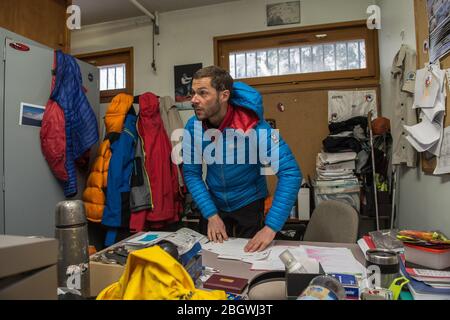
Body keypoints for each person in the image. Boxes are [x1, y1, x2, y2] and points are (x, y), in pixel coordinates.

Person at [182, 66, 302, 252]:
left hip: (249, 205)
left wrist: (271, 228)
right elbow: (191, 174)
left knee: (248, 264)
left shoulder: (254, 125)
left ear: (224, 96)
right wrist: (211, 214)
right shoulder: (192, 126)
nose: (194, 100)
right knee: (207, 263)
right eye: (193, 93)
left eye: (203, 93)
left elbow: (290, 173)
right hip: (213, 206)